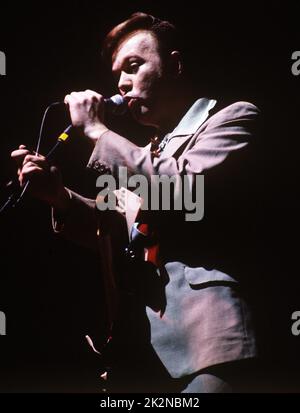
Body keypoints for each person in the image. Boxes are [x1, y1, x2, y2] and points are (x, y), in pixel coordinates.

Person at [11, 12, 262, 392]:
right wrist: (57, 195)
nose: (123, 83)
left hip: (209, 343)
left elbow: (185, 192)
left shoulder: (232, 119)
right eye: (117, 76)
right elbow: (113, 220)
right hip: (143, 353)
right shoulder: (144, 154)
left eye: (133, 66)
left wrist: (97, 131)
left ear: (175, 64)